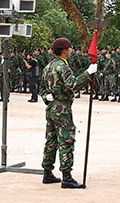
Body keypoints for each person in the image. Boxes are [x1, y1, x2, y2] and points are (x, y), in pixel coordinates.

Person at [39, 37, 97, 189]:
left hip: (51, 108)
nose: (71, 50)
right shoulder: (63, 67)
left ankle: (47, 173)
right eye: (70, 48)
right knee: (66, 140)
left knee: (51, 140)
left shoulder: (48, 67)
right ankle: (67, 177)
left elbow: (41, 88)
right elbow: (73, 85)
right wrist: (88, 73)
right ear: (64, 50)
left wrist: (46, 96)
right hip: (62, 108)